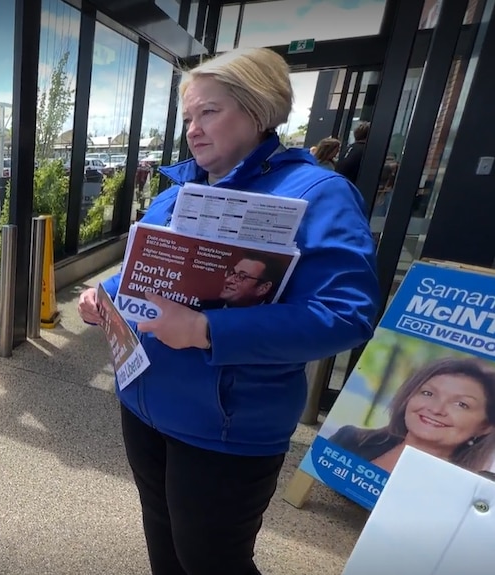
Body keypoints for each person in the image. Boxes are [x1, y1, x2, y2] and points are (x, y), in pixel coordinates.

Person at [77, 47, 380, 575]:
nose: (193, 129)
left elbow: (345, 313)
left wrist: (206, 329)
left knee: (212, 561)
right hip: (144, 400)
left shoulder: (319, 194)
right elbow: (146, 271)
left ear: (259, 109)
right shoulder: (178, 191)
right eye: (189, 117)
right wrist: (103, 291)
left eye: (209, 112)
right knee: (165, 549)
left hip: (226, 425)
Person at [330, 357, 495, 474]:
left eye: (461, 404)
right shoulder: (349, 439)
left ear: (484, 427)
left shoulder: (463, 491)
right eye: (428, 393)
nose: (436, 409)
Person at [198, 251, 287, 310]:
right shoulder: (204, 309)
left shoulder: (274, 323)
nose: (228, 280)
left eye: (241, 276)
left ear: (263, 288)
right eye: (232, 273)